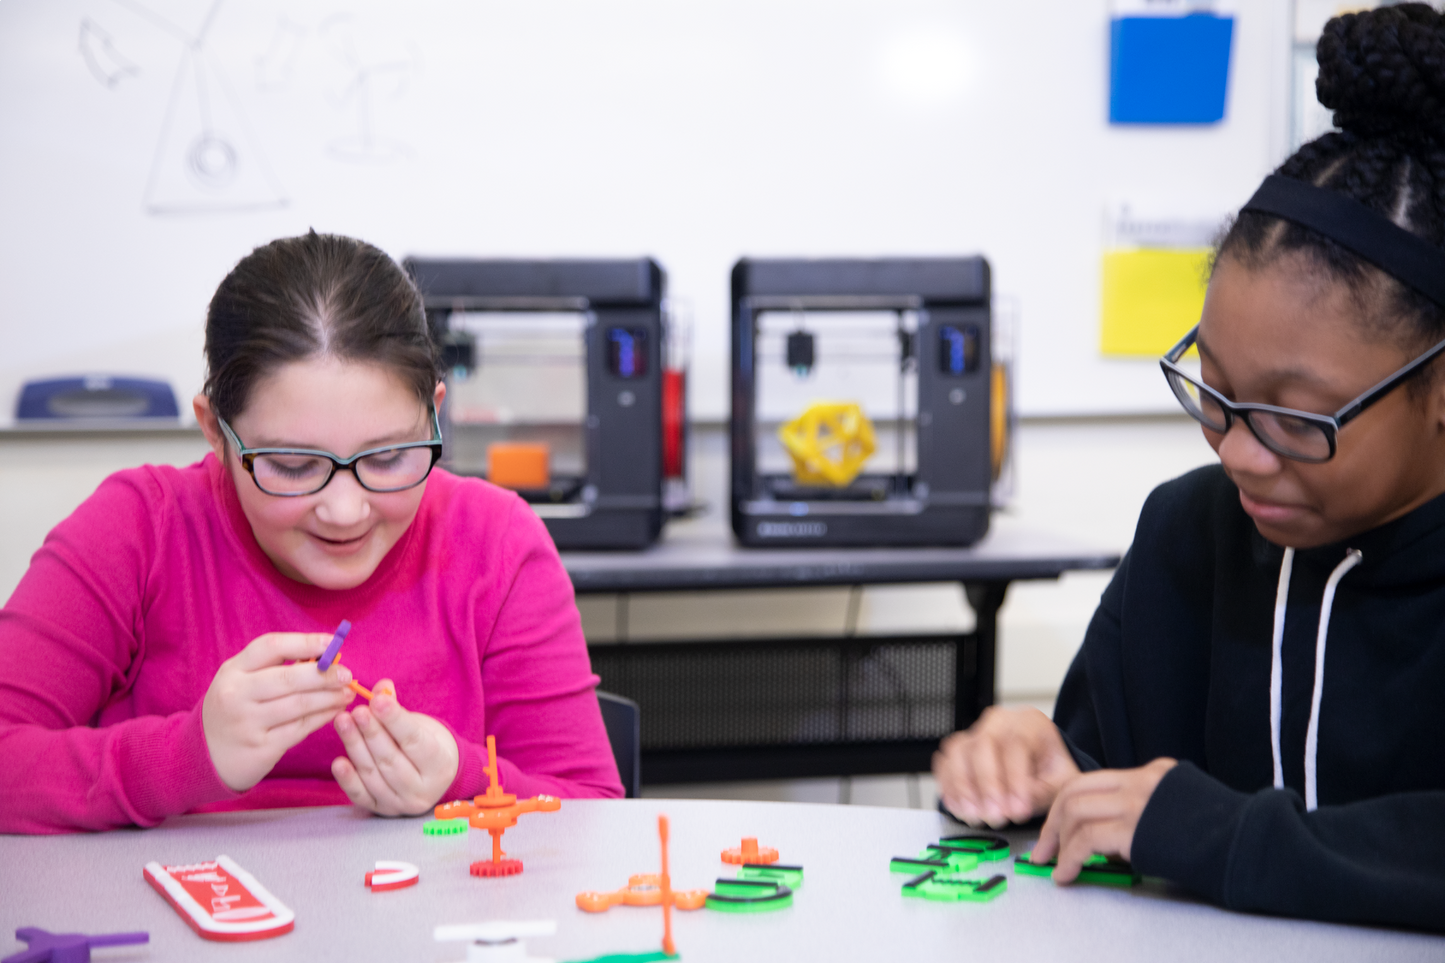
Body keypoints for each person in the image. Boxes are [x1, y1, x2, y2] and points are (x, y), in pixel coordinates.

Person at [933, 4, 1445, 932]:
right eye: (1213, 390)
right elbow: (1110, 790)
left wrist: (1217, 832)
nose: (1239, 452)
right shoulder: (1189, 530)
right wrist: (1035, 767)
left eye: (1294, 417)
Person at [0, 232, 623, 833]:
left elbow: (594, 813)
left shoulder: (497, 544)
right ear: (216, 431)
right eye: (294, 467)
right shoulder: (138, 529)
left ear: (434, 413)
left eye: (387, 459)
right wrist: (190, 756)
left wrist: (464, 779)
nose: (346, 510)